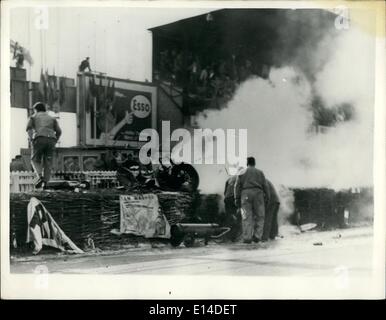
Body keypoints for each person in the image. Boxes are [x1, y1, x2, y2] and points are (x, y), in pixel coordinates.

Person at [26, 102, 62, 188]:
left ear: (36, 110)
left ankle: (40, 177)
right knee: (48, 162)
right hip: (51, 140)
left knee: (35, 159)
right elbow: (59, 131)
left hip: (39, 138)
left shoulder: (34, 116)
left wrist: (31, 139)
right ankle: (45, 182)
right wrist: (55, 140)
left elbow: (28, 128)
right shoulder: (52, 118)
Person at [234, 157, 269, 243]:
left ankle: (247, 237)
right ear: (254, 163)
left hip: (245, 193)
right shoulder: (260, 172)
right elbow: (265, 185)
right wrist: (268, 196)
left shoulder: (242, 172)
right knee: (260, 216)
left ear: (247, 163)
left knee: (246, 216)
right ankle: (257, 236)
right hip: (258, 193)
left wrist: (236, 198)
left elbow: (237, 186)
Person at [224, 174, 241, 241]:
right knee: (236, 217)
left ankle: (227, 236)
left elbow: (225, 191)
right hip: (233, 198)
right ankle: (233, 237)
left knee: (229, 216)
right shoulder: (241, 178)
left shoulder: (229, 178)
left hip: (227, 198)